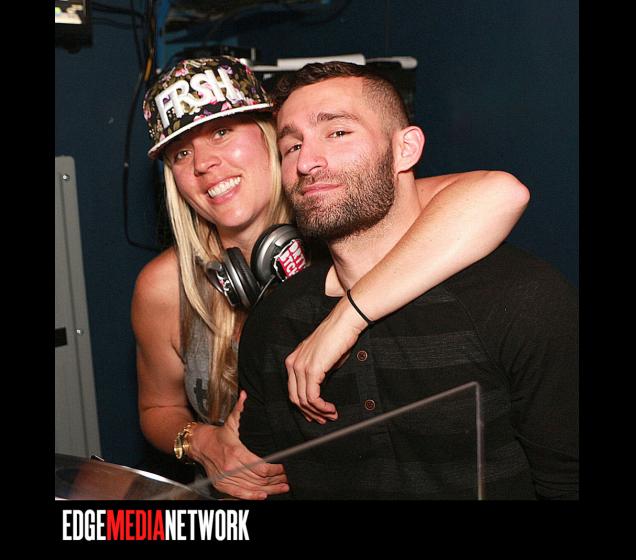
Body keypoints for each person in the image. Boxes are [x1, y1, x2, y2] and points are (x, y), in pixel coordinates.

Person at [132, 56, 530, 500]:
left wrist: (345, 318)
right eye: (181, 153)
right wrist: (204, 445)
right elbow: (157, 407)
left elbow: (499, 193)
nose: (204, 163)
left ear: (272, 137)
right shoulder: (164, 285)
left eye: (221, 132)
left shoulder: (341, 222)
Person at [237, 61, 578, 500]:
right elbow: (259, 487)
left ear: (406, 149)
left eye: (338, 132)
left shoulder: (519, 298)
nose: (307, 161)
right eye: (292, 146)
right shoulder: (274, 323)